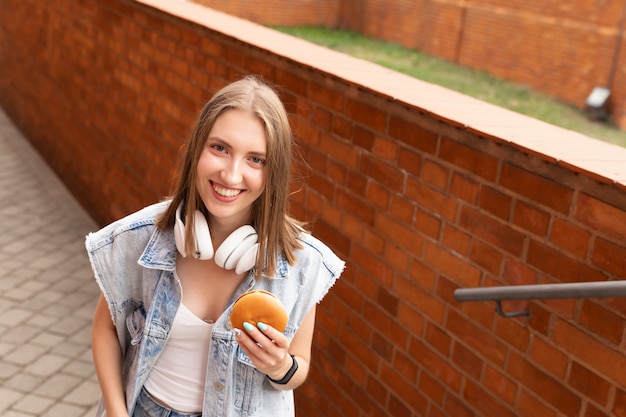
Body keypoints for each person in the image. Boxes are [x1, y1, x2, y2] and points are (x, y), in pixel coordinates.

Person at [86, 75, 345, 417]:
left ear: (273, 172)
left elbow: (299, 369)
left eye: (256, 159)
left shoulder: (299, 263)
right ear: (197, 150)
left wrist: (280, 365)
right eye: (220, 148)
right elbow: (105, 328)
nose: (231, 175)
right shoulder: (144, 236)